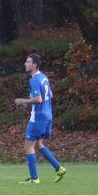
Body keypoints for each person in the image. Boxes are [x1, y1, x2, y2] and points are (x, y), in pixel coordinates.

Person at [14, 53, 66, 184]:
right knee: (38, 144)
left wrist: (22, 101)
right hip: (48, 115)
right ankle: (59, 169)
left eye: (28, 62)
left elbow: (38, 99)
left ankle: (34, 178)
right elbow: (50, 95)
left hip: (38, 117)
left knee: (28, 146)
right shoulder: (43, 77)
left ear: (35, 65)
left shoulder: (34, 80)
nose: (25, 64)